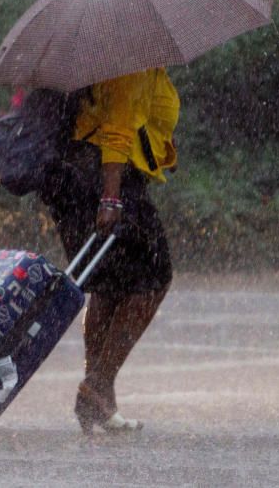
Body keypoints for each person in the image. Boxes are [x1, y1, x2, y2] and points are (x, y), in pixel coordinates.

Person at [39, 66, 179, 434]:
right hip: (107, 180)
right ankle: (97, 386)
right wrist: (112, 197)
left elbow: (124, 119)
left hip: (79, 177)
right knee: (153, 280)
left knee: (111, 286)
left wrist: (156, 138)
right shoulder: (131, 62)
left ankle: (98, 399)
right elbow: (116, 129)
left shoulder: (111, 59)